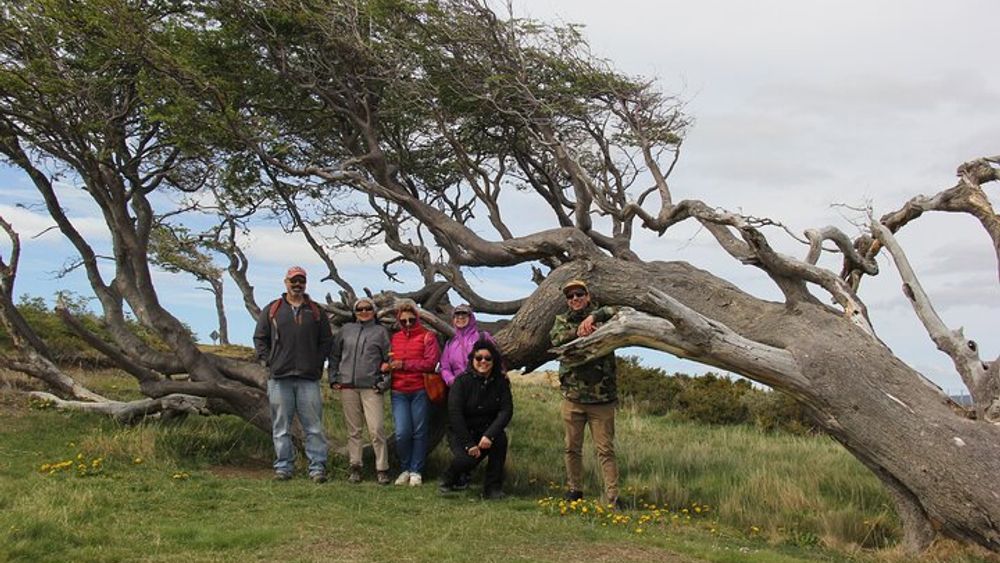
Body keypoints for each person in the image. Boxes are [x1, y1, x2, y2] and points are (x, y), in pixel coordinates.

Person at [253, 266, 332, 482]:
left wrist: (317, 363)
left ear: (305, 283)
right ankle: (284, 467)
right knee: (281, 427)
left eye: (301, 281)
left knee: (314, 427)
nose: (297, 285)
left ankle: (317, 469)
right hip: (280, 377)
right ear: (285, 282)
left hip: (308, 378)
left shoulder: (316, 311)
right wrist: (268, 360)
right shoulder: (273, 309)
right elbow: (260, 338)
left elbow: (326, 341)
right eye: (293, 281)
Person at [549, 279, 622, 507]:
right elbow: (556, 338)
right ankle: (574, 490)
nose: (575, 299)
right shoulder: (561, 320)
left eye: (579, 294)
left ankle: (613, 497)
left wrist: (594, 318)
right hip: (573, 399)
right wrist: (580, 331)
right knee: (572, 447)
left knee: (605, 450)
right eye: (570, 296)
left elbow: (620, 311)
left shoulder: (604, 316)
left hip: (602, 400)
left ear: (587, 297)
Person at [438, 339, 513, 500]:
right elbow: (455, 413)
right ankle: (448, 478)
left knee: (500, 440)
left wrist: (490, 434)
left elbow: (506, 411)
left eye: (488, 358)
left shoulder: (501, 383)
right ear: (472, 360)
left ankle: (492, 488)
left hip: (486, 430)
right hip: (462, 432)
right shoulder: (461, 381)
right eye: (479, 358)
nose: (483, 362)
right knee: (467, 460)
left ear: (494, 361)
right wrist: (469, 443)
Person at [329, 297, 392, 485]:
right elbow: (334, 356)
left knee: (376, 429)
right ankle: (355, 467)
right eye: (360, 309)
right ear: (355, 312)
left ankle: (382, 469)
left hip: (372, 388)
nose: (364, 311)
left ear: (373, 311)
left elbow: (390, 361)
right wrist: (333, 378)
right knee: (354, 431)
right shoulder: (346, 330)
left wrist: (383, 383)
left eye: (367, 308)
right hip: (348, 386)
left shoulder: (381, 332)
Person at [439, 304, 498, 489]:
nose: (460, 318)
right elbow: (445, 367)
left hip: (481, 390)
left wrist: (500, 376)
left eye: (464, 314)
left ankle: (466, 473)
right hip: (458, 391)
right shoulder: (451, 343)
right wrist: (452, 382)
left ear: (471, 317)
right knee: (459, 431)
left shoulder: (482, 337)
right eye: (457, 315)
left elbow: (495, 358)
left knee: (484, 431)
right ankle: (460, 473)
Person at [386, 299, 440, 486]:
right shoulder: (395, 338)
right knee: (402, 432)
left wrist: (405, 365)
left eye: (411, 320)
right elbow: (389, 360)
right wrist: (386, 366)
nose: (408, 323)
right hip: (398, 390)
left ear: (417, 318)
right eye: (404, 321)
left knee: (419, 432)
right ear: (399, 320)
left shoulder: (428, 336)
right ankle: (405, 468)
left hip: (420, 390)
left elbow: (431, 363)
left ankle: (416, 470)